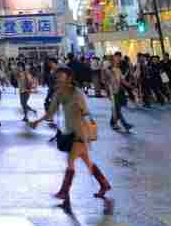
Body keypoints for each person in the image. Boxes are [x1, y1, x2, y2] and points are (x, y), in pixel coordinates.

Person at [30, 67, 111, 206]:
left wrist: (81, 109)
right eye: (58, 76)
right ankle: (104, 184)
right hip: (69, 131)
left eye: (62, 76)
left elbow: (86, 111)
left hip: (80, 132)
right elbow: (51, 112)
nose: (59, 79)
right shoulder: (59, 93)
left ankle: (64, 191)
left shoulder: (77, 93)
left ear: (69, 78)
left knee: (70, 161)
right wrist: (38, 121)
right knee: (87, 162)